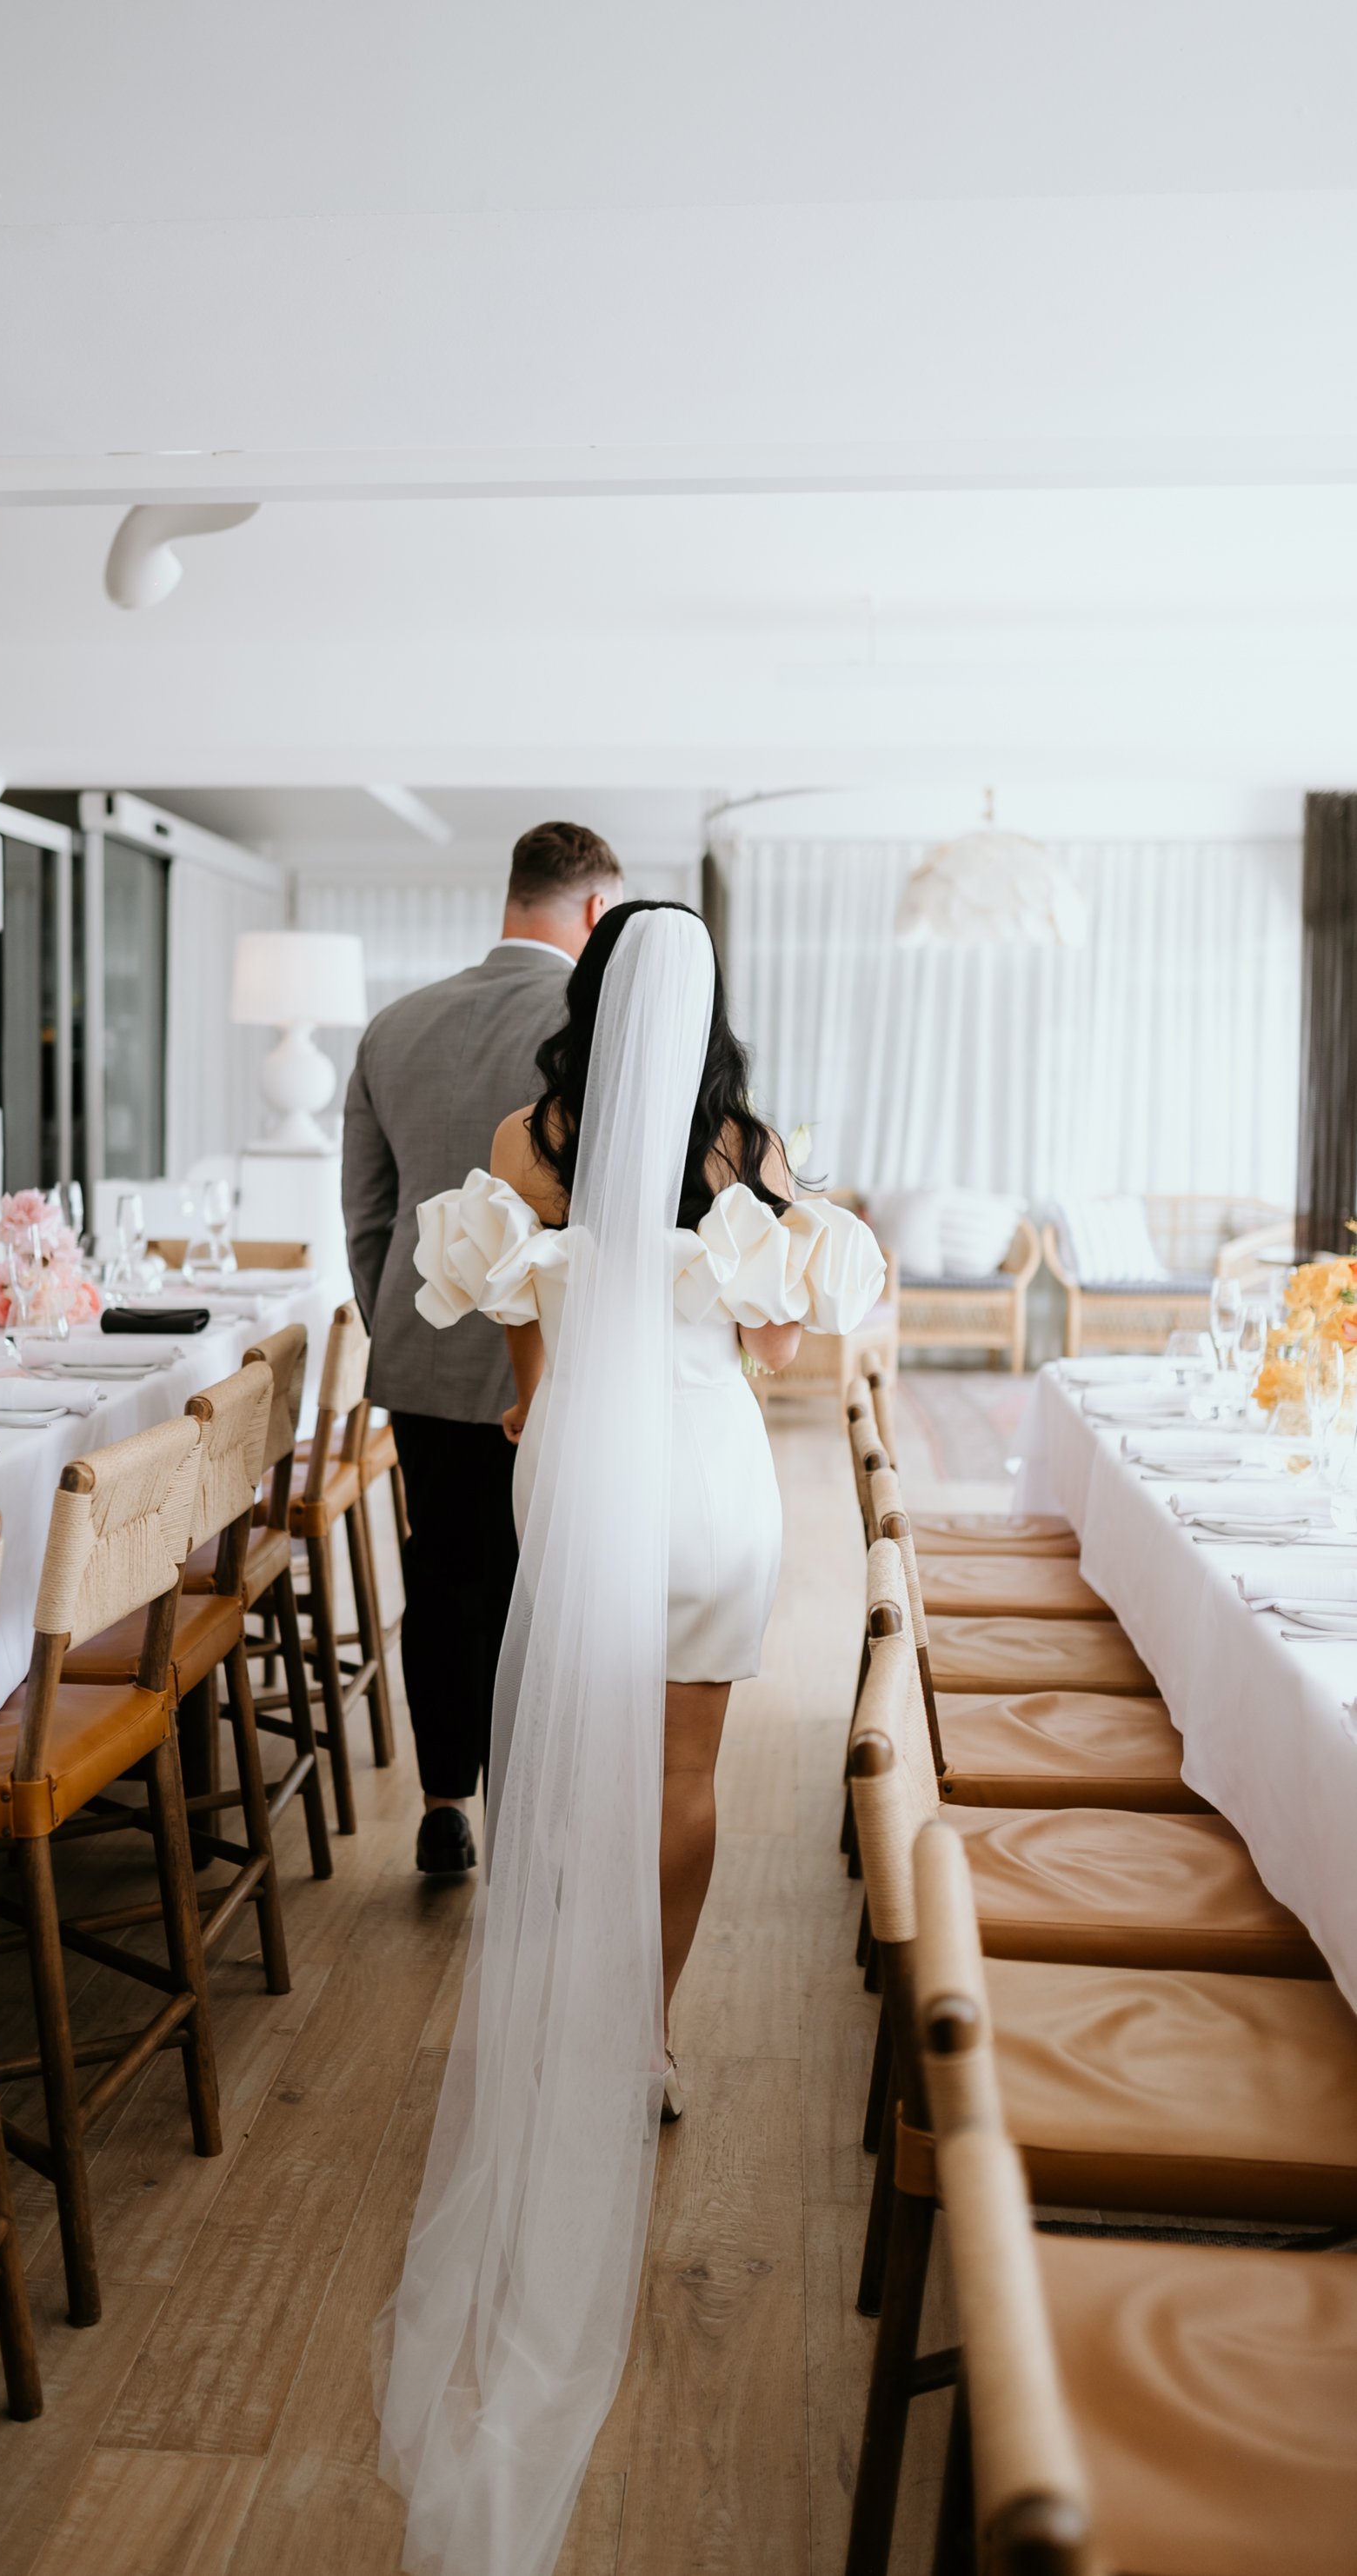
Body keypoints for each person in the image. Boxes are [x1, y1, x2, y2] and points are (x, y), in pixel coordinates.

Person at [377, 902, 883, 2576]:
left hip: (584, 1470)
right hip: (715, 1478)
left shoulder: (539, 1129)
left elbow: (504, 1327)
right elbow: (785, 1339)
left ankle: (559, 2018)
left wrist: (550, 1382)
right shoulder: (749, 1145)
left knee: (564, 1759)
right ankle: (648, 2036)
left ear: (585, 994)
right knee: (684, 1779)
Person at [341, 819, 623, 1873]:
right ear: (596, 911)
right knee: (550, 1580)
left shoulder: (394, 1023)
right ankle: (541, 1809)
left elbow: (367, 1216)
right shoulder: (597, 1026)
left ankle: (443, 1800)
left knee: (445, 1572)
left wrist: (401, 1326)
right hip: (560, 1364)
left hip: (420, 1351)